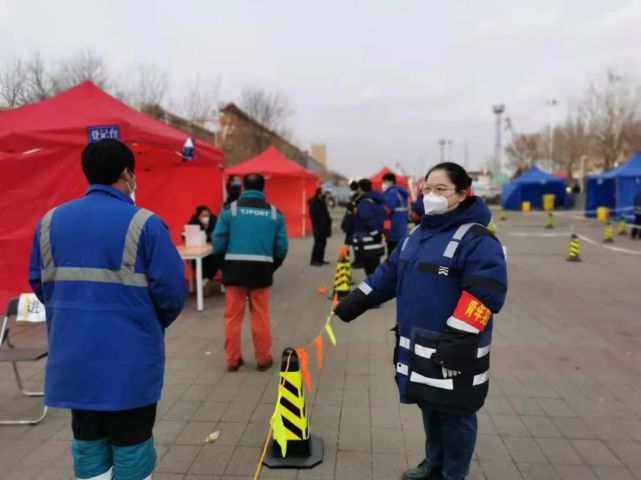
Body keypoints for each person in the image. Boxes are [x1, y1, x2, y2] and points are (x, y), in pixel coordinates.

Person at [334, 162, 507, 480]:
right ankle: (434, 463)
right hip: (419, 344)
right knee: (430, 405)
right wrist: (355, 302)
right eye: (427, 189)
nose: (431, 195)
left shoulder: (478, 239)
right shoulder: (417, 236)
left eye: (441, 189)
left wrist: (456, 340)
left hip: (456, 348)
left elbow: (487, 295)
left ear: (462, 193)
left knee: (456, 413)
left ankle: (454, 474)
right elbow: (389, 274)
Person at [28, 139, 187, 480]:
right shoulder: (145, 224)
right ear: (127, 173)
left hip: (73, 359)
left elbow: (40, 283)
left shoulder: (49, 221)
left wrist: (73, 315)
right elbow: (173, 292)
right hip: (129, 363)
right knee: (132, 449)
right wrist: (146, 322)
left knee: (87, 446)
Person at [213, 173, 288, 372]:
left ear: (243, 188)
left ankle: (233, 361)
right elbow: (282, 247)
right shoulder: (274, 214)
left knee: (232, 318)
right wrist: (271, 266)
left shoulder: (230, 211)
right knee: (261, 316)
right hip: (261, 271)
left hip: (234, 271)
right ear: (263, 189)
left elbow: (218, 241)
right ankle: (263, 359)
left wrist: (223, 265)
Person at [352, 178, 386, 275]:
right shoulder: (376, 200)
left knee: (370, 273)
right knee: (375, 270)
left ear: (360, 188)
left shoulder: (364, 203)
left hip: (368, 243)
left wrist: (375, 235)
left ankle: (371, 290)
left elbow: (367, 220)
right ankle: (374, 289)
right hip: (376, 243)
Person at [188, 206, 218, 290]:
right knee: (195, 260)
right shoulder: (193, 222)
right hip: (197, 249)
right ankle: (204, 282)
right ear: (198, 216)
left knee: (215, 258)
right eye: (203, 216)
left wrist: (211, 235)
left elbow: (217, 236)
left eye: (207, 215)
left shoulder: (214, 221)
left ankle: (206, 279)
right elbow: (185, 236)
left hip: (212, 248)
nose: (206, 218)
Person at [382, 172, 410, 255]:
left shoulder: (391, 193)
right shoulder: (400, 193)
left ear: (390, 181)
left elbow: (387, 210)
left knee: (392, 253)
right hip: (402, 228)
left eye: (384, 181)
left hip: (393, 228)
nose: (383, 184)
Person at [309, 188, 332, 266]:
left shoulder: (322, 202)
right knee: (318, 244)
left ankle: (320, 259)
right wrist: (317, 223)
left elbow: (326, 212)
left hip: (324, 226)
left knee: (323, 243)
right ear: (319, 193)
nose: (324, 194)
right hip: (318, 227)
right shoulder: (314, 203)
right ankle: (314, 260)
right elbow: (312, 215)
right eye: (322, 193)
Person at [341, 180, 361, 266]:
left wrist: (350, 206)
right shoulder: (355, 196)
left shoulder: (357, 197)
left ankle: (350, 261)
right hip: (351, 224)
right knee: (350, 244)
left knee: (352, 244)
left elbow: (353, 210)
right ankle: (347, 261)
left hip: (353, 224)